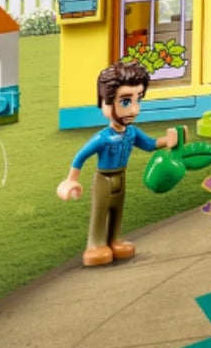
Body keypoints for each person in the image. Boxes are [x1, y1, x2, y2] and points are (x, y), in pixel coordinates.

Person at [56, 59, 176, 267]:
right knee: (100, 211)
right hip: (104, 179)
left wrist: (167, 141)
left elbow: (149, 144)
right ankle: (95, 244)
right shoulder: (102, 137)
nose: (134, 109)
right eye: (126, 101)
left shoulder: (132, 132)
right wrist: (71, 179)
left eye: (138, 99)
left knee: (117, 210)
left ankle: (115, 239)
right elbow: (81, 156)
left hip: (121, 176)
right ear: (105, 102)